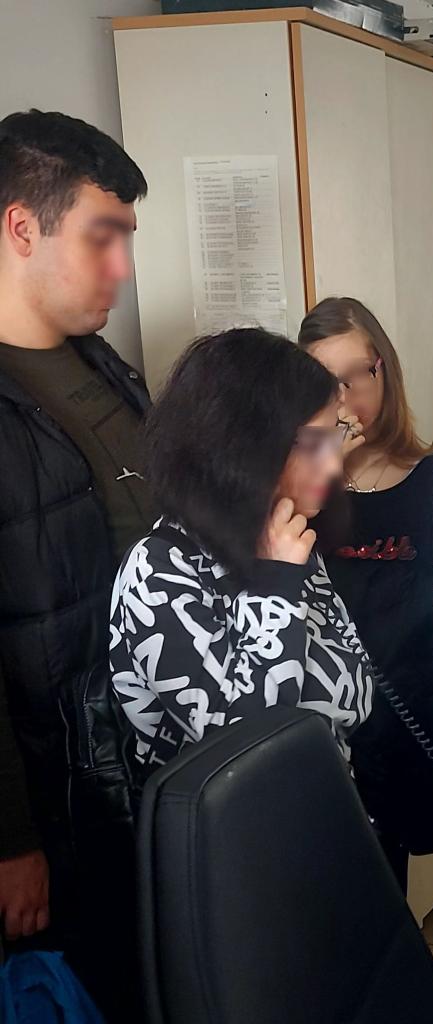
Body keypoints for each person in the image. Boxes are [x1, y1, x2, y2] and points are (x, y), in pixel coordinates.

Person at [0, 109, 151, 1021]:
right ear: (22, 227)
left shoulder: (102, 363)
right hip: (61, 803)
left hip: (148, 768)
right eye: (103, 237)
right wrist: (11, 839)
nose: (122, 267)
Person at [110, 328, 374, 780]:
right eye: (315, 445)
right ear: (242, 447)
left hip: (327, 801)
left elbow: (358, 693)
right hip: (239, 822)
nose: (334, 466)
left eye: (336, 439)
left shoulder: (285, 536)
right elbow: (246, 744)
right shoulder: (157, 570)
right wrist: (274, 588)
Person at [298, 297, 433, 891]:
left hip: (419, 720)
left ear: (384, 368)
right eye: (324, 382)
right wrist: (322, 467)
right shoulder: (293, 494)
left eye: (357, 374)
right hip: (330, 737)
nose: (345, 398)